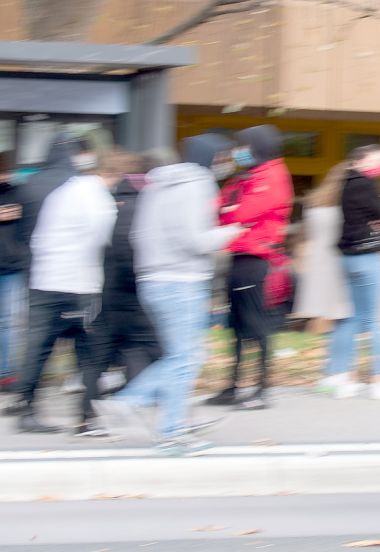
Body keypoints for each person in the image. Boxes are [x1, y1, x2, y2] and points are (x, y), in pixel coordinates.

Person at [94, 134, 242, 455]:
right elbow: (195, 239)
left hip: (153, 280)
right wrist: (232, 231)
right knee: (185, 358)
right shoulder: (199, 183)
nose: (226, 163)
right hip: (183, 280)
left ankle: (151, 417)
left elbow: (138, 234)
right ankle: (154, 419)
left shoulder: (158, 183)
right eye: (224, 157)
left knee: (178, 357)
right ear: (213, 157)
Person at [4, 140, 118, 433]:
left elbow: (34, 235)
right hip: (78, 284)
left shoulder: (46, 188)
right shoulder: (91, 193)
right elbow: (100, 239)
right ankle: (86, 417)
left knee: (38, 347)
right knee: (88, 351)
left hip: (42, 278)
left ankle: (25, 408)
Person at [76, 151, 164, 437]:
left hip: (106, 294)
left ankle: (86, 418)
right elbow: (134, 254)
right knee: (160, 352)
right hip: (132, 295)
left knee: (98, 357)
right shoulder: (143, 207)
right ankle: (138, 406)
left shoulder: (111, 201)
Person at [206, 125, 293, 410]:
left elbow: (240, 213)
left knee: (258, 326)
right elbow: (219, 210)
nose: (237, 151)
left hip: (257, 261)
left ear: (257, 146)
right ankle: (234, 386)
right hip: (239, 257)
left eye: (242, 145)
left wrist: (228, 212)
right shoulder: (247, 176)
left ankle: (262, 389)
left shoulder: (273, 176)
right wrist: (228, 212)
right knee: (237, 327)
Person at [319, 144, 380, 400]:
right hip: (368, 257)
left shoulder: (344, 184)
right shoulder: (365, 184)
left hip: (347, 257)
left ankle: (343, 377)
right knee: (374, 320)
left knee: (350, 319)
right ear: (362, 160)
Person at [292, 162, 354, 391]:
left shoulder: (316, 205)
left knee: (333, 319)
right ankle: (339, 370)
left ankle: (330, 369)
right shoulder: (344, 209)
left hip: (318, 265)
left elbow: (304, 236)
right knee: (345, 319)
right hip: (339, 263)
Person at [0, 151, 27, 393]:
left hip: (11, 267)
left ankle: (5, 373)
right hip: (10, 266)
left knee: (8, 323)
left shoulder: (18, 192)